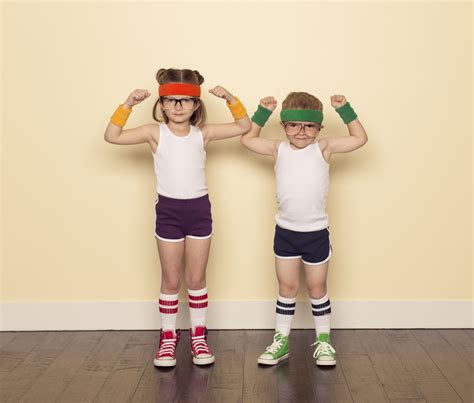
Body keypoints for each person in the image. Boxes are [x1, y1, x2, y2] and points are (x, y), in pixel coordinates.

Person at [104, 68, 251, 367]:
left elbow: (243, 125)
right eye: (171, 101)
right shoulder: (153, 132)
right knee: (171, 280)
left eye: (185, 101)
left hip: (199, 212)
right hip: (169, 212)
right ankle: (168, 337)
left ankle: (198, 335)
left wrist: (230, 98)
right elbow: (112, 136)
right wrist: (128, 104)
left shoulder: (203, 133)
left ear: (196, 105)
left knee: (196, 278)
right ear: (161, 104)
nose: (178, 107)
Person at [240, 92, 367, 366]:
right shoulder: (278, 149)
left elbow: (359, 138)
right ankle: (281, 340)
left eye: (309, 126)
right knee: (286, 287)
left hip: (316, 233)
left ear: (319, 127)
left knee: (317, 287)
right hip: (285, 232)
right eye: (294, 125)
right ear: (283, 126)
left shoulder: (324, 148)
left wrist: (345, 109)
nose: (301, 131)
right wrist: (262, 113)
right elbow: (248, 139)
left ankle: (323, 341)